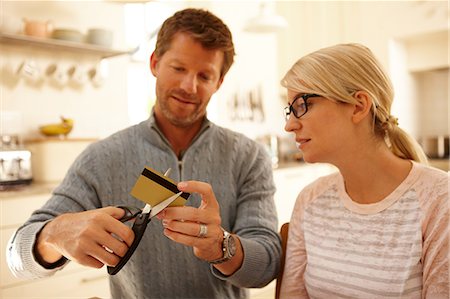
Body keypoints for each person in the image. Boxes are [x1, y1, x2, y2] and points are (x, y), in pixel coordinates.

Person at [7, 8, 281, 299]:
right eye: (178, 68)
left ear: (219, 83)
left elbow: (267, 265)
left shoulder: (249, 157)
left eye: (204, 75)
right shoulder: (102, 157)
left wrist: (221, 246)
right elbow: (16, 257)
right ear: (154, 63)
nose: (189, 86)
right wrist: (54, 234)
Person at [279, 43, 449, 299]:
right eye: (289, 110)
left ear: (358, 106)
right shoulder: (310, 200)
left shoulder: (439, 199)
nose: (290, 125)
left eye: (303, 104)